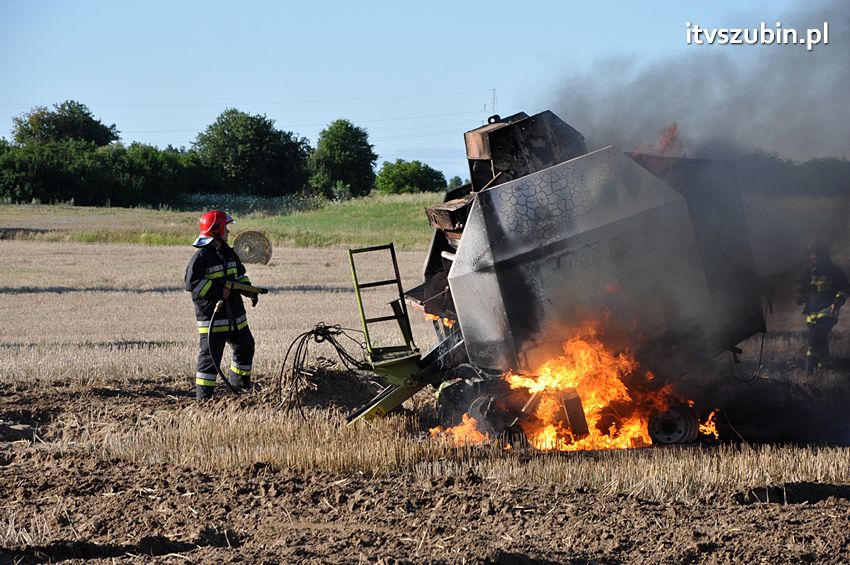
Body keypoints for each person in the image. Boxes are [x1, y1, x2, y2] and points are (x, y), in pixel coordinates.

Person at [185, 210, 258, 399]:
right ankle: (204, 398)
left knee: (246, 346)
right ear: (215, 230)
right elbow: (192, 283)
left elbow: (239, 276)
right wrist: (218, 291)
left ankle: (240, 388)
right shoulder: (201, 257)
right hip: (214, 319)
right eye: (226, 228)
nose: (228, 232)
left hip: (235, 317)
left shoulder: (229, 253)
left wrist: (249, 290)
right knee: (210, 360)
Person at [796, 240, 848, 372]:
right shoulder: (809, 273)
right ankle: (827, 366)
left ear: (825, 255)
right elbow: (806, 291)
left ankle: (809, 370)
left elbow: (844, 289)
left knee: (815, 340)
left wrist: (837, 303)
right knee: (821, 341)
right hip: (812, 314)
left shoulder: (834, 272)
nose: (814, 258)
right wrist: (802, 296)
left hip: (828, 312)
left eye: (817, 255)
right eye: (812, 255)